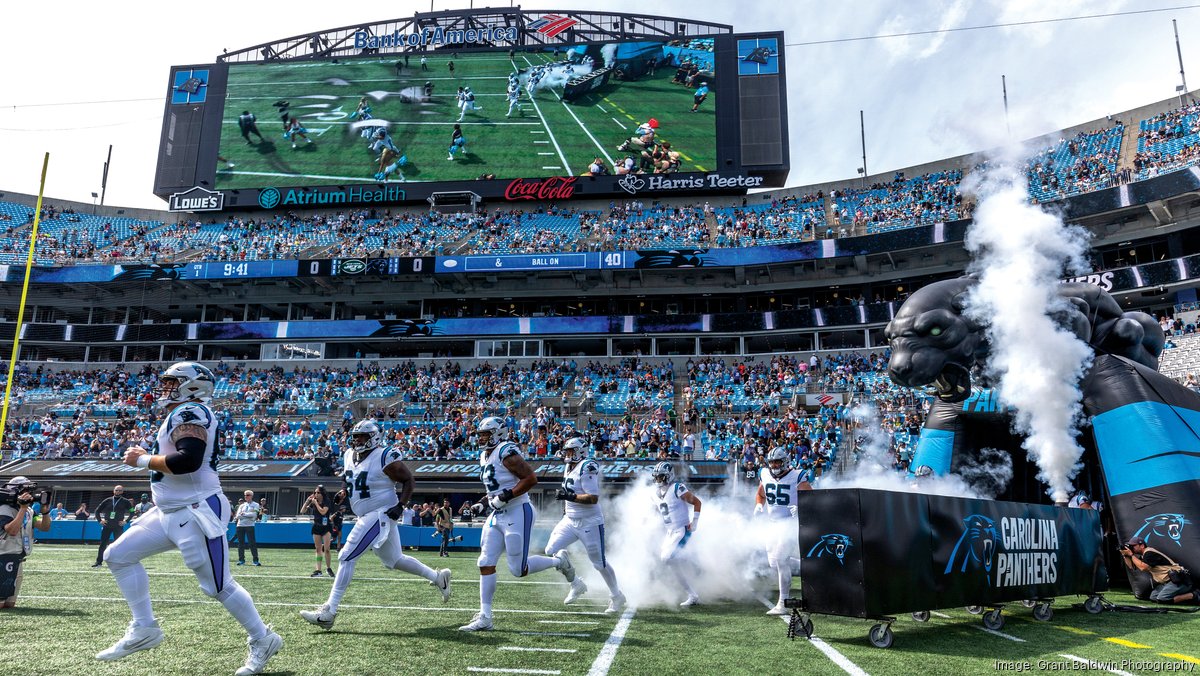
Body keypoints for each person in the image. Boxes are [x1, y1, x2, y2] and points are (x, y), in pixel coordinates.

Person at [97, 362, 282, 675]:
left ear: (191, 386)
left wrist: (142, 459)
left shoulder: (191, 412)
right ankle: (145, 628)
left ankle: (263, 638)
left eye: (172, 383)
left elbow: (189, 461)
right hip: (168, 511)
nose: (165, 388)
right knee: (118, 555)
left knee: (218, 586)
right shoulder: (182, 413)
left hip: (196, 511)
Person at [300, 420, 451, 630]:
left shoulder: (384, 456)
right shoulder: (349, 455)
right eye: (355, 436)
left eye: (362, 436)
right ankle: (438, 577)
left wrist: (401, 505)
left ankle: (329, 611)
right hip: (366, 514)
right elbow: (349, 477)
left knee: (346, 556)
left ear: (373, 437)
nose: (357, 440)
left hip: (380, 513)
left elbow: (408, 480)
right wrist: (344, 491)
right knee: (395, 560)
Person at [458, 417, 578, 631]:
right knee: (485, 561)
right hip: (497, 514)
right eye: (481, 434)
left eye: (485, 434)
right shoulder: (484, 456)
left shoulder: (506, 451)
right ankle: (485, 616)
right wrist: (480, 503)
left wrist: (505, 497)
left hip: (517, 510)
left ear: (498, 433)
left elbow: (530, 479)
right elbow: (495, 490)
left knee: (518, 569)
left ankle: (558, 561)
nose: (481, 438)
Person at [546, 436, 625, 613]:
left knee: (599, 563)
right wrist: (566, 506)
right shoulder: (569, 465)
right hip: (570, 519)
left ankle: (616, 596)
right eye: (567, 450)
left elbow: (592, 498)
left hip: (589, 520)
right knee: (551, 550)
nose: (567, 454)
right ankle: (576, 584)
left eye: (571, 451)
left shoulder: (587, 466)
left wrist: (569, 497)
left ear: (580, 451)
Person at [755, 448, 809, 615]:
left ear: (785, 461)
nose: (774, 465)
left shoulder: (797, 476)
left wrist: (801, 509)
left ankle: (783, 602)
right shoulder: (764, 474)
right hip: (773, 524)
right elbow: (761, 494)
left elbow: (812, 498)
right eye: (771, 462)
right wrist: (758, 505)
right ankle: (809, 567)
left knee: (780, 559)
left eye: (777, 461)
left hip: (791, 523)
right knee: (774, 563)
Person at [650, 461, 702, 607]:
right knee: (668, 560)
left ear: (668, 476)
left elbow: (697, 503)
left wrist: (695, 522)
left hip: (682, 530)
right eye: (657, 477)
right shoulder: (654, 493)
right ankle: (694, 565)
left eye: (661, 477)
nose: (658, 480)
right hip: (669, 532)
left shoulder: (677, 488)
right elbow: (659, 510)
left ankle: (692, 593)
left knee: (667, 558)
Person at [0, 476, 52, 608]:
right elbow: (11, 530)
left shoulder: (29, 510)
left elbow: (44, 527)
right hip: (3, 557)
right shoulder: (4, 508)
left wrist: (45, 512)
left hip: (18, 556)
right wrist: (22, 509)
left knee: (10, 604)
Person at [1122, 536, 1196, 604]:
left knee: (1162, 599)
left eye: (1133, 546)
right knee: (1153, 598)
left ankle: (1194, 595)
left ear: (1142, 545)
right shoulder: (1144, 555)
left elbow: (1143, 567)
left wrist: (1131, 555)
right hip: (1168, 582)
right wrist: (1125, 555)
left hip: (1179, 581)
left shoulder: (1149, 553)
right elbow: (1131, 567)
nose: (1132, 548)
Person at [93, 485, 133, 567]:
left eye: (119, 490)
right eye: (116, 490)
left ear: (122, 492)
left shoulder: (126, 502)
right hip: (107, 525)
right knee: (103, 544)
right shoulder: (107, 500)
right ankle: (98, 562)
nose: (118, 492)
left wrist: (126, 521)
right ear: (113, 491)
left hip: (118, 526)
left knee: (118, 545)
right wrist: (100, 520)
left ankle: (118, 562)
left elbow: (132, 512)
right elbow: (97, 511)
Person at [302, 487, 334, 577]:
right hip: (316, 526)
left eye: (318, 492)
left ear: (322, 493)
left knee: (327, 549)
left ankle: (328, 568)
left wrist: (315, 503)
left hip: (326, 527)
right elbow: (302, 510)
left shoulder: (326, 501)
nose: (316, 494)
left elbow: (323, 512)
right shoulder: (313, 502)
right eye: (315, 492)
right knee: (318, 549)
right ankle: (318, 570)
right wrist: (307, 501)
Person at [233, 490, 262, 566]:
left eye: (248, 495)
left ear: (252, 496)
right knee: (240, 544)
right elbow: (237, 516)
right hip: (240, 526)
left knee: (252, 543)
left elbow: (254, 515)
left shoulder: (256, 505)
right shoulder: (241, 505)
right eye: (245, 495)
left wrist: (244, 514)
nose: (246, 496)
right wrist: (248, 515)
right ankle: (241, 560)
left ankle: (255, 560)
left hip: (250, 526)